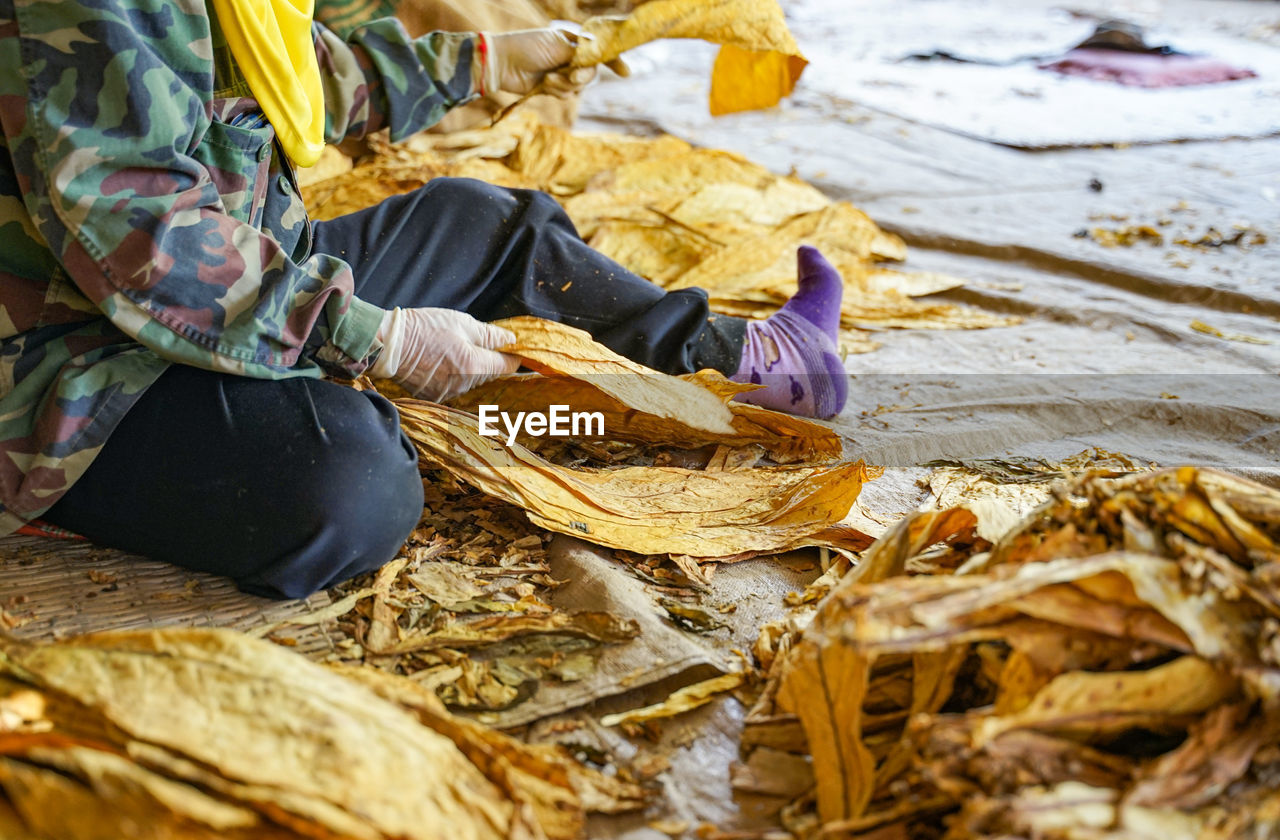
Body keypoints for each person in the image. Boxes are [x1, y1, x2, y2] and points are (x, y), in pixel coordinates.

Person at [0, 0, 848, 599]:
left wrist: (479, 62)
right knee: (351, 487)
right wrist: (375, 337)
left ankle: (745, 361)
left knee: (483, 221)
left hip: (236, 260)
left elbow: (290, 76)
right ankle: (88, 494)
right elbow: (139, 231)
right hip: (69, 358)